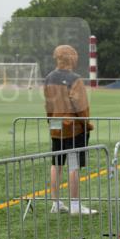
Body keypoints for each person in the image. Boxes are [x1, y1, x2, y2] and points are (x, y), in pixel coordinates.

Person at [44, 44, 96, 215]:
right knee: (73, 165)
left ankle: (56, 203)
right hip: (73, 127)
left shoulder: (49, 78)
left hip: (55, 124)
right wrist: (86, 123)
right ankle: (75, 205)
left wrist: (51, 120)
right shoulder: (75, 79)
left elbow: (48, 104)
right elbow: (81, 106)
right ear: (70, 58)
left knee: (56, 164)